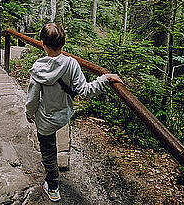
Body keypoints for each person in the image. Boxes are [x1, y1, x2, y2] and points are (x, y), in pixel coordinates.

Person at [25, 22, 123, 202]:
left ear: (42, 43)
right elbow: (85, 91)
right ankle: (54, 182)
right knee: (54, 143)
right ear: (63, 43)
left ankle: (53, 187)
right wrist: (105, 78)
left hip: (45, 120)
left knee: (48, 152)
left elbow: (32, 98)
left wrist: (28, 113)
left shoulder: (38, 68)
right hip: (63, 115)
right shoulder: (71, 64)